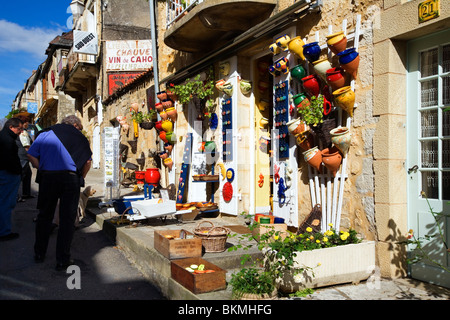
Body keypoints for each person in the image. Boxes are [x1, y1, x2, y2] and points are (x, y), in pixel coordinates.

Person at [28, 115, 92, 270]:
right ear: (76, 125)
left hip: (48, 177)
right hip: (70, 179)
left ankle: (39, 254)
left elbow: (30, 155)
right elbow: (88, 161)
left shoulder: (45, 133)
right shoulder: (80, 137)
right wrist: (81, 177)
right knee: (67, 219)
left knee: (44, 215)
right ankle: (62, 260)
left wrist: (41, 168)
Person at [0, 118, 24, 241]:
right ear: (11, 127)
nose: (21, 132)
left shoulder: (4, 137)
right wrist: (18, 171)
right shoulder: (7, 140)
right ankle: (4, 232)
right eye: (19, 129)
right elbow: (9, 160)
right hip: (8, 174)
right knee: (6, 203)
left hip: (6, 173)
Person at [14, 113, 33, 201]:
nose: (28, 124)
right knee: (20, 176)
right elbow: (26, 146)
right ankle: (16, 196)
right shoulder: (23, 132)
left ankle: (26, 193)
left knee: (28, 174)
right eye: (26, 122)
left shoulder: (19, 132)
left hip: (21, 156)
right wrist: (31, 157)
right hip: (23, 156)